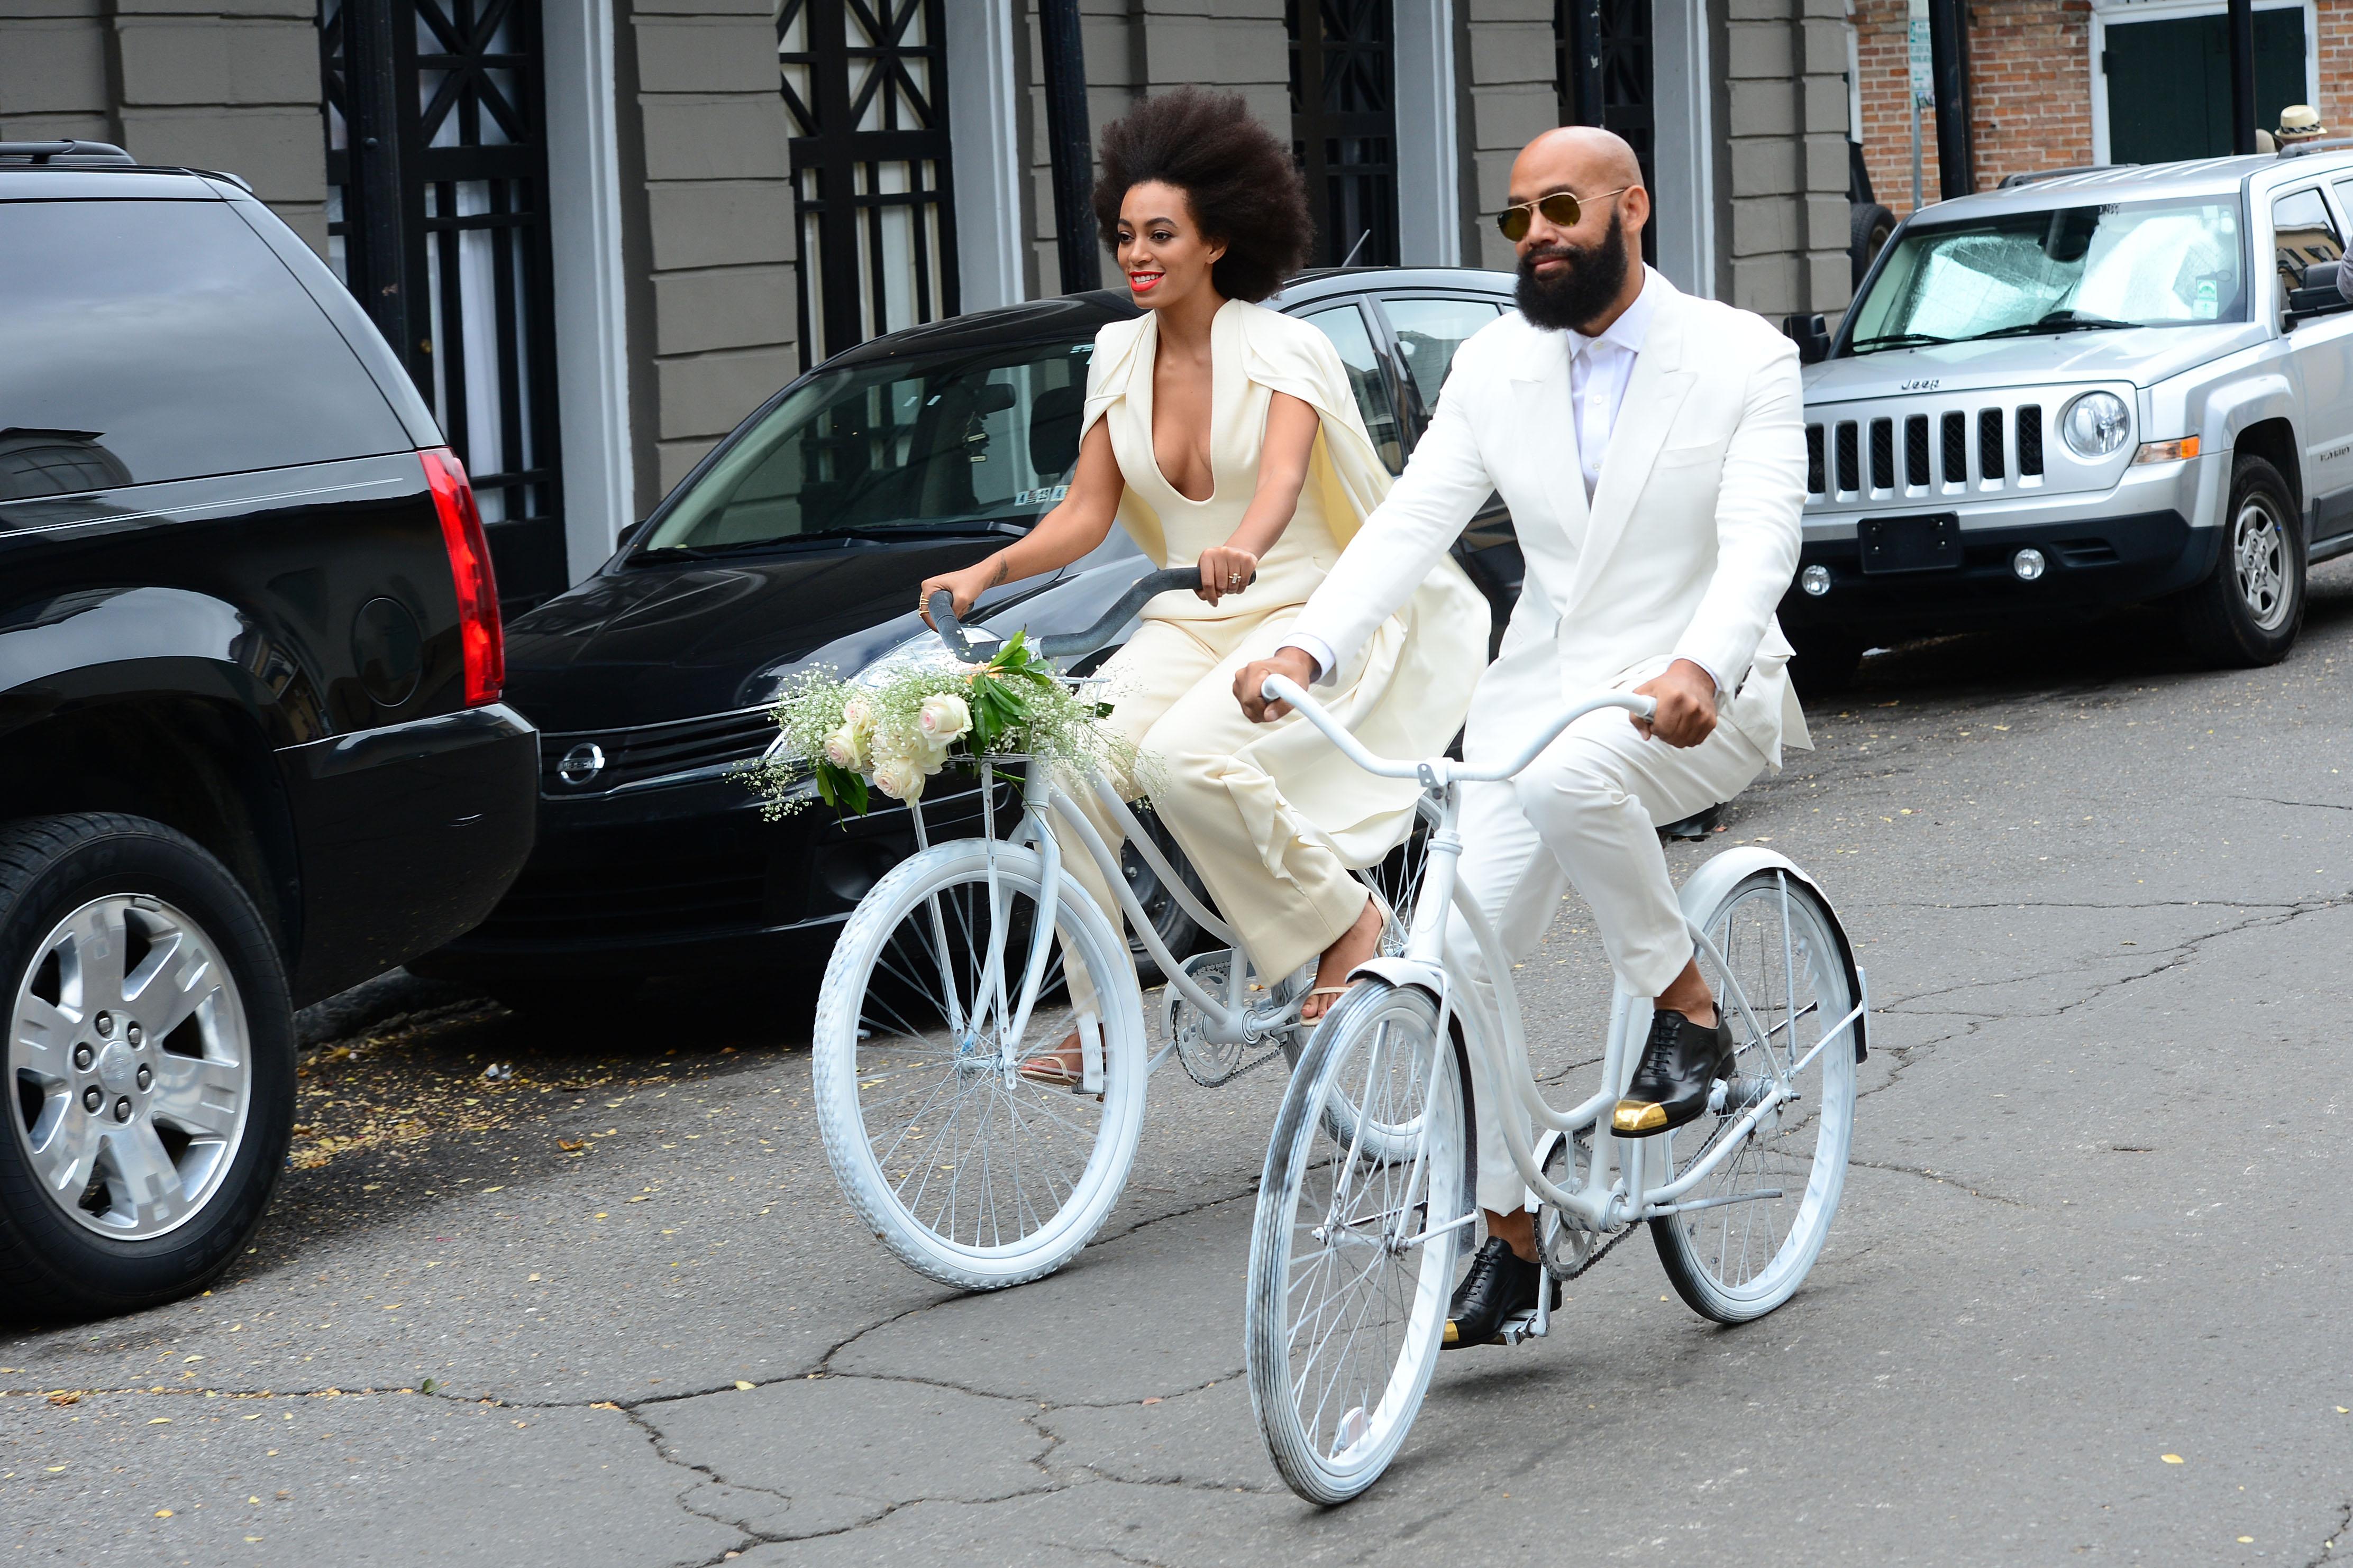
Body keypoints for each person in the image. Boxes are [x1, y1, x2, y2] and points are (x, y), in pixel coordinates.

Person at [1234, 125, 1811, 1346]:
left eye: (1561, 209)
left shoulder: (1740, 356)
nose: (1537, 235)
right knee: (1445, 961)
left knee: (1570, 773)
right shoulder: (1495, 365)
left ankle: (1688, 1005)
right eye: (1517, 219)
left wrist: (1703, 658)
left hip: (1695, 693)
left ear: (1631, 207)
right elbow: (1404, 527)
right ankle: (1512, 1244)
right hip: (1540, 693)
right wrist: (1307, 648)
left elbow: (1762, 536)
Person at [920, 88, 1487, 1080]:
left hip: (1303, 606)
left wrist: (1243, 545)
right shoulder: (1116, 353)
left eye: (1163, 235)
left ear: (1218, 240)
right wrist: (988, 571)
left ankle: (1346, 917)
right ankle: (1101, 1026)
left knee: (1184, 760)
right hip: (1185, 615)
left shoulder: (1286, 348)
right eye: (1127, 235)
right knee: (1069, 765)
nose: (1138, 255)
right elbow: (1086, 515)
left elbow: (1277, 486)